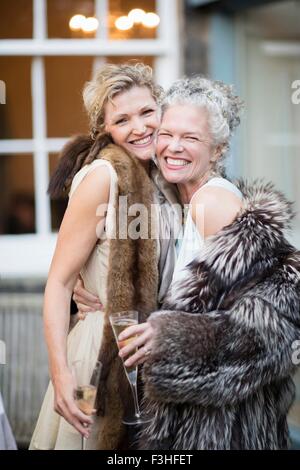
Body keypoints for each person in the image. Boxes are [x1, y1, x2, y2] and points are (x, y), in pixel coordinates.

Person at [77, 76, 300, 449]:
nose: (173, 147)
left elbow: (280, 318)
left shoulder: (210, 202)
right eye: (166, 134)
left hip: (225, 428)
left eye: (191, 138)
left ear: (217, 150)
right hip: (196, 418)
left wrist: (171, 335)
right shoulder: (183, 201)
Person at [29, 63, 181, 451]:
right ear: (105, 130)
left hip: (150, 353)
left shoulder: (167, 179)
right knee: (88, 440)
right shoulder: (104, 177)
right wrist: (61, 374)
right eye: (123, 119)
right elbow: (60, 283)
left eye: (147, 112)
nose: (140, 127)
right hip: (94, 360)